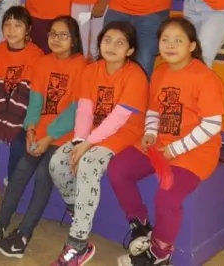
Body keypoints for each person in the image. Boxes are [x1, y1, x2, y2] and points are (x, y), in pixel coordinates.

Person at [110, 17, 224, 266]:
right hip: (160, 145)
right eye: (165, 40)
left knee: (167, 197)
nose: (170, 45)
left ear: (192, 46)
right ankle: (140, 226)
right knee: (118, 169)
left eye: (178, 40)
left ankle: (160, 254)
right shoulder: (160, 71)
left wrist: (176, 148)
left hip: (195, 152)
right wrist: (151, 132)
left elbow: (212, 125)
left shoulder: (205, 78)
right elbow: (153, 110)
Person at [0, 16, 88, 258]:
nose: (56, 39)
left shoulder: (82, 65)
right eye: (52, 34)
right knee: (20, 172)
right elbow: (35, 101)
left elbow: (75, 110)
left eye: (63, 35)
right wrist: (30, 129)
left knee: (43, 176)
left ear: (73, 40)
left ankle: (23, 235)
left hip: (65, 136)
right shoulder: (43, 62)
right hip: (40, 133)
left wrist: (48, 137)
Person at [49, 21, 149, 265]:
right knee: (58, 162)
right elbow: (85, 110)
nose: (112, 46)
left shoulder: (135, 75)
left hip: (124, 134)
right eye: (107, 40)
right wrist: (79, 142)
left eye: (120, 43)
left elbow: (119, 119)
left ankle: (78, 244)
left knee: (89, 163)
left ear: (130, 50)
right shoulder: (91, 70)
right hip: (94, 133)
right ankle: (77, 210)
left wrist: (87, 146)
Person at [0, 6, 44, 225]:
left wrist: (13, 123)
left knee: (18, 145)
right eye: (7, 24)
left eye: (17, 25)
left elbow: (29, 92)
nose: (11, 30)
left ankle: (10, 199)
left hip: (23, 112)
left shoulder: (36, 54)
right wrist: (0, 120)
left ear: (28, 29)